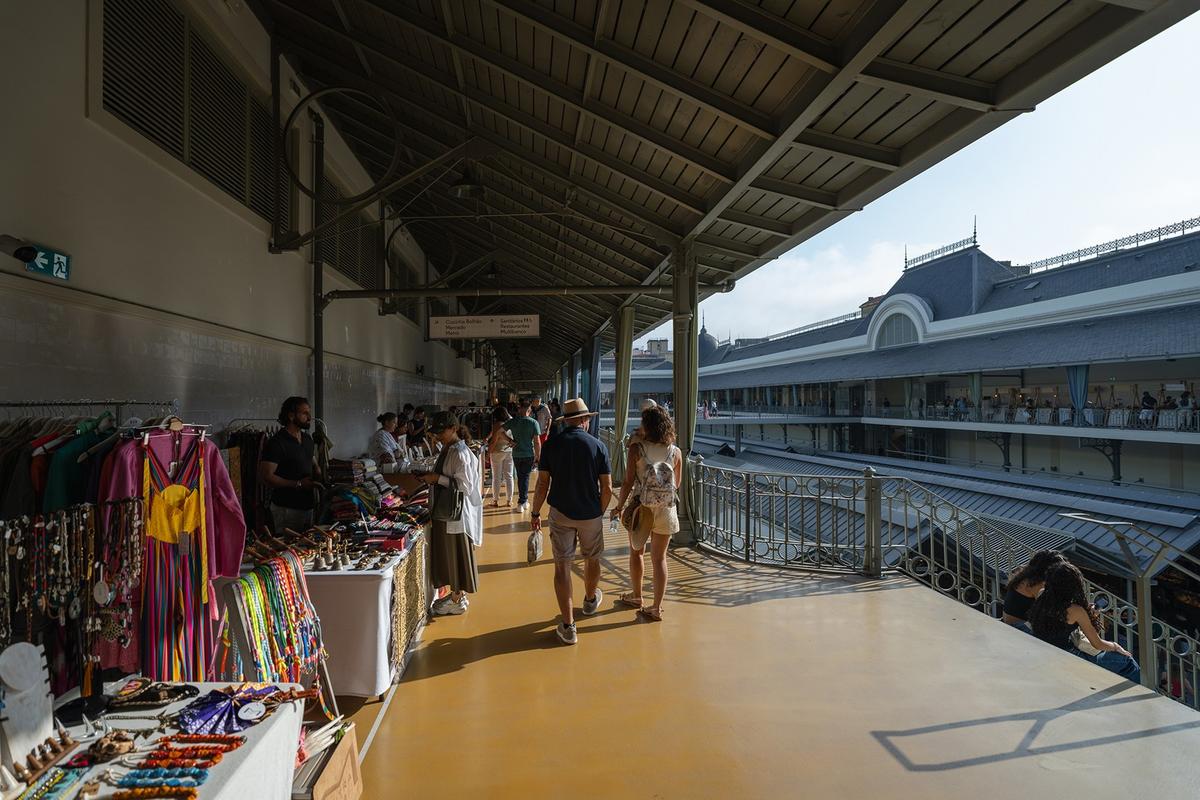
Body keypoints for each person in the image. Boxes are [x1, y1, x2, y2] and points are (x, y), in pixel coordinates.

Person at [530, 398, 612, 645]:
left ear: (566, 421)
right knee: (592, 559)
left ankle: (568, 627)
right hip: (590, 514)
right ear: (585, 420)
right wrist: (598, 511)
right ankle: (589, 601)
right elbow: (607, 487)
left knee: (562, 567)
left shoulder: (551, 445)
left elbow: (542, 484)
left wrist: (535, 513)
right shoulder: (598, 446)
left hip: (561, 514)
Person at [612, 405, 681, 622]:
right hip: (666, 511)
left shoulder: (637, 449)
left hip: (641, 509)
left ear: (647, 426)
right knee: (660, 559)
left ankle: (636, 596)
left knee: (637, 553)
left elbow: (627, 482)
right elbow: (676, 484)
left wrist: (619, 506)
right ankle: (656, 608)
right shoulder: (675, 452)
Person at [1028, 562, 1141, 682]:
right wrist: (1115, 646)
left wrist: (1087, 617)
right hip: (1067, 655)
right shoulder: (1075, 610)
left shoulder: (1042, 595)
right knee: (1127, 660)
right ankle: (1146, 689)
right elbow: (1097, 644)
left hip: (1043, 648)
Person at [420, 412, 483, 616]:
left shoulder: (459, 453)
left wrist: (436, 479)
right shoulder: (448, 449)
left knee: (456, 556)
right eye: (436, 433)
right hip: (447, 511)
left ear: (454, 429)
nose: (438, 436)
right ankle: (457, 595)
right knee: (450, 556)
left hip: (456, 514)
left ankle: (457, 599)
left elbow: (465, 486)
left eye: (442, 432)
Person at [259, 396, 323, 533]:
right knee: (288, 545)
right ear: (291, 416)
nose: (309, 417)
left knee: (308, 544)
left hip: (308, 505)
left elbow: (310, 458)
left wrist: (317, 470)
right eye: (304, 413)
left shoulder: (307, 439)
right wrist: (297, 484)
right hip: (286, 508)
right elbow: (266, 476)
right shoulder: (277, 443)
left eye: (309, 413)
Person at [1001, 550, 1067, 627]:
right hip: (1017, 626)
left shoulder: (1025, 576)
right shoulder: (1036, 583)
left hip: (1007, 620)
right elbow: (1045, 608)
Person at [504, 401, 542, 512]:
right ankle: (522, 502)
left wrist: (510, 440)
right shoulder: (534, 423)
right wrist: (538, 456)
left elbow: (499, 431)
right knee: (525, 477)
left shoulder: (513, 421)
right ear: (529, 410)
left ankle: (523, 500)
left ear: (519, 409)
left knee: (520, 477)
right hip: (528, 454)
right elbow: (537, 442)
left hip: (516, 454)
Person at [485, 406, 515, 507]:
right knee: (509, 476)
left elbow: (494, 441)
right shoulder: (511, 422)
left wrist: (488, 454)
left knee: (496, 477)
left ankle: (495, 500)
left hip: (497, 452)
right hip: (509, 451)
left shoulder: (497, 424)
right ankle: (509, 500)